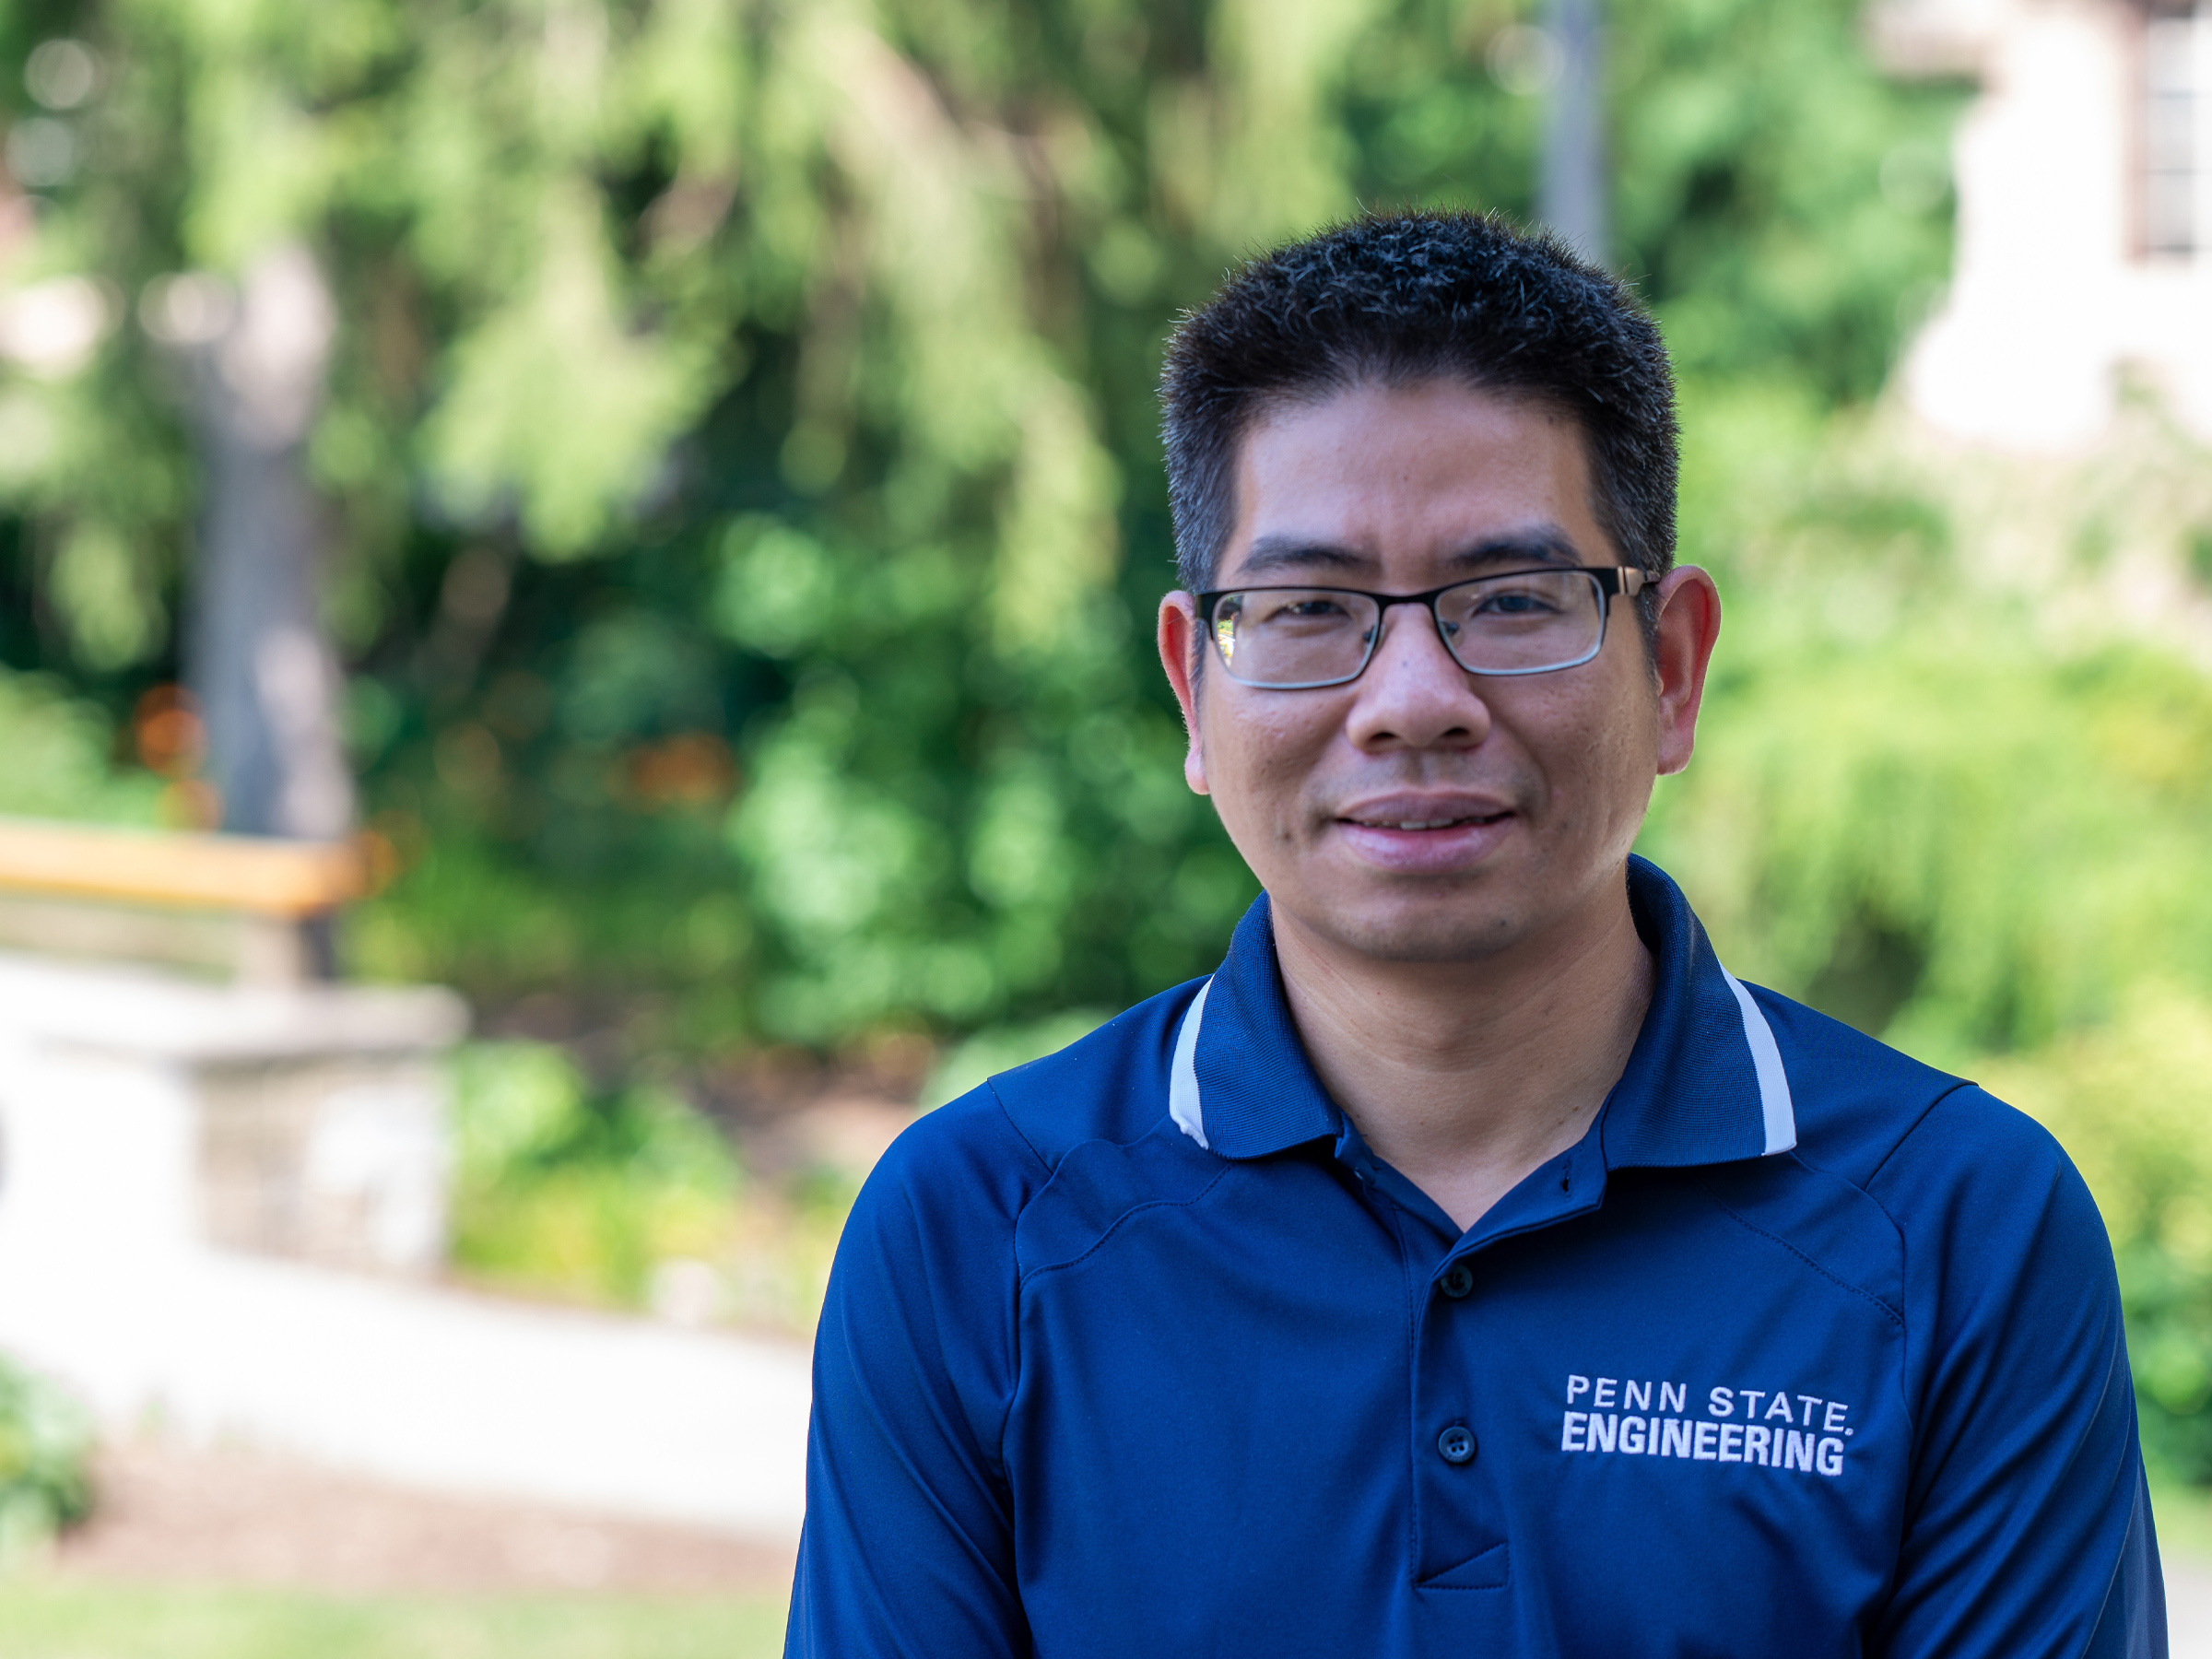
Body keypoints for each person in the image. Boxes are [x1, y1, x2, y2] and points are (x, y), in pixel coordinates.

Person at [784, 210, 2165, 1657]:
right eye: (1310, 609)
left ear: (1673, 667)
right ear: (1196, 689)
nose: (1412, 698)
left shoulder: (1959, 1227)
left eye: (1511, 600)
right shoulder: (978, 1232)